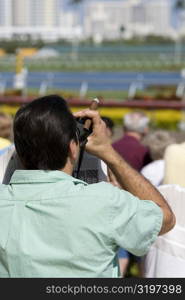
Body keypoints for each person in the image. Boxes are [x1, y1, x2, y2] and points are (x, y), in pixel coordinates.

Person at [0, 95, 175, 277]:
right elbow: (165, 218)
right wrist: (108, 152)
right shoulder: (104, 202)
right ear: (73, 148)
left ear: (18, 152)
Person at [112, 111, 152, 277]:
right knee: (143, 260)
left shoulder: (112, 148)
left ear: (124, 127)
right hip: (137, 209)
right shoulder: (144, 152)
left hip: (114, 207)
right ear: (145, 130)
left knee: (119, 257)